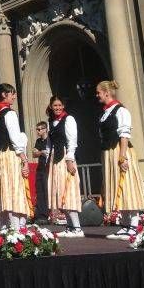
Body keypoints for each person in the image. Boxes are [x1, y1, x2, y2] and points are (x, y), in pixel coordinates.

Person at [97, 80, 144, 240]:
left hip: (120, 150)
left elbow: (124, 134)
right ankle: (125, 225)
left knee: (127, 187)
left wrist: (122, 155)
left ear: (107, 93)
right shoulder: (106, 111)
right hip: (110, 151)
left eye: (98, 92)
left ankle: (133, 226)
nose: (97, 95)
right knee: (118, 186)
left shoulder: (121, 111)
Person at [0, 83, 30, 230]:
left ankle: (5, 226)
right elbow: (16, 139)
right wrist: (25, 160)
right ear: (4, 95)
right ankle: (16, 228)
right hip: (10, 155)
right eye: (12, 93)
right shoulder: (10, 114)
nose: (14, 96)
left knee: (3, 190)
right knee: (13, 189)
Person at [46, 96, 84, 238]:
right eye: (55, 105)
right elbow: (50, 143)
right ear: (51, 106)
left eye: (60, 105)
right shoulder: (51, 121)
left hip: (65, 157)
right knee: (60, 191)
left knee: (69, 191)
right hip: (55, 158)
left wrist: (70, 159)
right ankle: (70, 226)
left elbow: (72, 141)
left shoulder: (68, 119)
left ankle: (77, 227)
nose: (57, 108)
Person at [32, 121, 50, 224]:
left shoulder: (49, 140)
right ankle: (40, 214)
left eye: (40, 129)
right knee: (40, 191)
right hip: (40, 168)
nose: (38, 131)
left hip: (47, 168)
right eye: (37, 129)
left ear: (45, 129)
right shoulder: (39, 141)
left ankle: (48, 213)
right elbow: (34, 153)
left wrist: (40, 152)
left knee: (47, 190)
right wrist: (42, 152)